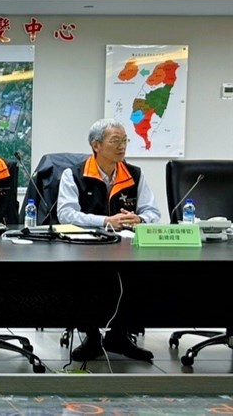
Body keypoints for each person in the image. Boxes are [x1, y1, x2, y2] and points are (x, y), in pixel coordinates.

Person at [57, 117, 161, 362]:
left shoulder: (134, 174)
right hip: (86, 248)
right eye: (115, 141)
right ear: (96, 145)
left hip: (126, 249)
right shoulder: (74, 174)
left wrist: (139, 219)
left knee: (142, 277)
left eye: (124, 140)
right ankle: (91, 336)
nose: (122, 146)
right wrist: (105, 221)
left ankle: (120, 335)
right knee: (86, 279)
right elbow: (66, 213)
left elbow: (153, 213)